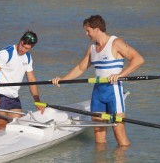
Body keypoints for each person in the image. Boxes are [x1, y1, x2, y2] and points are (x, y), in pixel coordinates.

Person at [52, 15, 144, 146]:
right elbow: (80, 67)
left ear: (96, 29)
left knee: (119, 132)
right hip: (98, 94)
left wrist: (121, 75)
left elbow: (138, 59)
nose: (86, 34)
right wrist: (62, 79)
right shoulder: (92, 48)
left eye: (88, 30)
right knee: (99, 135)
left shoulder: (116, 43)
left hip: (114, 92)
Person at [0, 30, 44, 131]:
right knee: (1, 127)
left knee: (18, 128)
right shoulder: (5, 53)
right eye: (22, 45)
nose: (22, 49)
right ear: (20, 40)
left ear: (31, 48)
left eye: (26, 48)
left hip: (14, 97)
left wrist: (37, 101)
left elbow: (31, 80)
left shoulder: (28, 58)